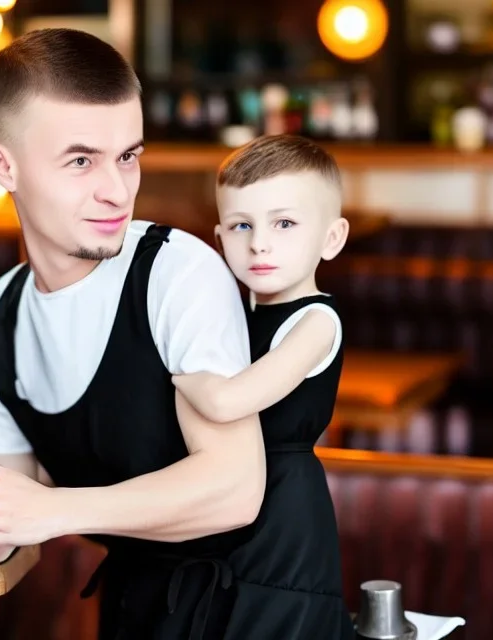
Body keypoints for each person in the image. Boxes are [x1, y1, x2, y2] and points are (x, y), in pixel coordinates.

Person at [0, 28, 266, 639]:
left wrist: (50, 509)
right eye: (80, 160)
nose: (117, 190)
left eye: (128, 156)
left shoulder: (177, 272)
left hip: (260, 608)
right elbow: (4, 540)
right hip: (136, 612)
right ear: (2, 166)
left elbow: (234, 489)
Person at [173, 134, 355, 639]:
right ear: (219, 238)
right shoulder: (234, 314)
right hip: (225, 496)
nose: (259, 243)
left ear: (331, 238)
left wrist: (172, 366)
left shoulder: (317, 320)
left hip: (285, 513)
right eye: (241, 225)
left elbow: (228, 401)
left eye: (285, 223)